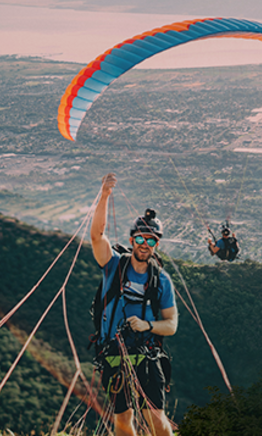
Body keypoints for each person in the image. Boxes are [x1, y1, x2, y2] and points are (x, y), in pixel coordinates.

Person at [91, 173, 178, 436]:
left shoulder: (161, 280)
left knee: (155, 417)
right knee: (122, 419)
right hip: (114, 354)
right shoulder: (114, 265)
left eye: (150, 240)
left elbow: (171, 325)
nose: (144, 244)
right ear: (131, 241)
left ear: (156, 245)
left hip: (147, 354)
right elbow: (97, 236)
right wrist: (105, 195)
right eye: (140, 238)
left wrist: (146, 325)